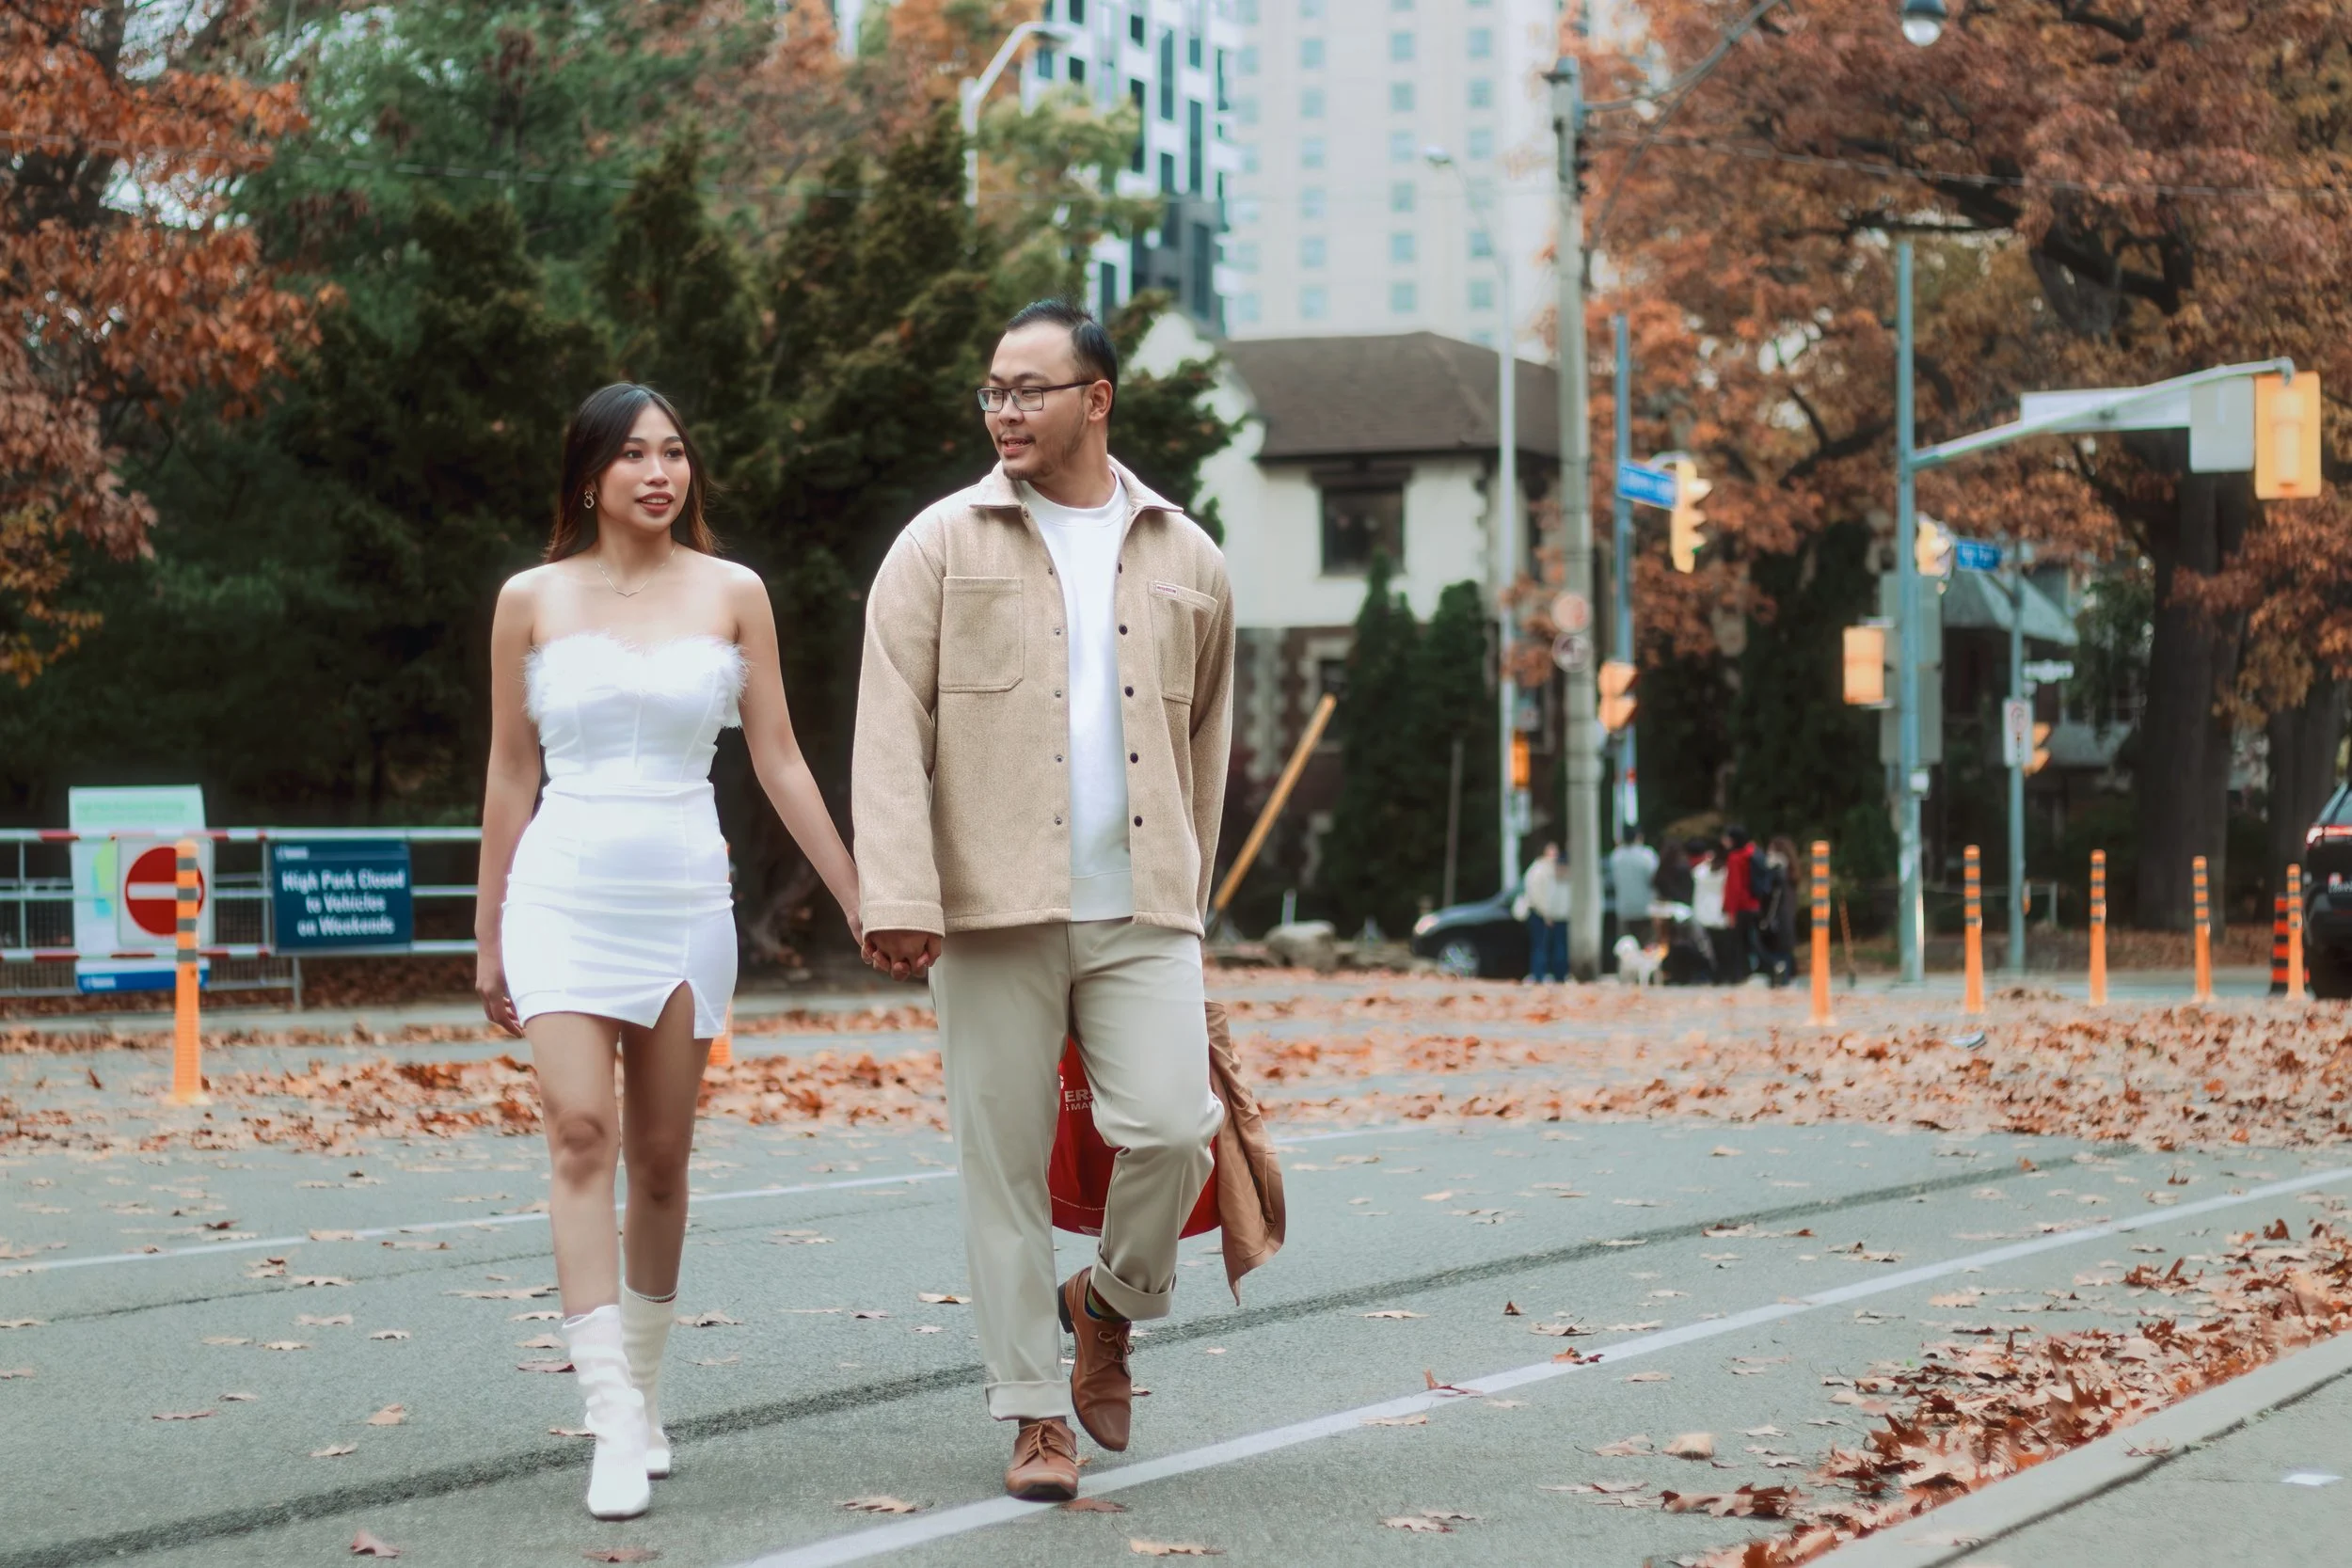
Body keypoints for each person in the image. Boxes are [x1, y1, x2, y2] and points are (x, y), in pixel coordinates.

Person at [853, 300, 1235, 1503]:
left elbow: (1208, 739)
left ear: (1097, 399)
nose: (1005, 409)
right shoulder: (937, 544)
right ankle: (1032, 1414)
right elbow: (886, 729)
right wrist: (899, 892)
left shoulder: (1189, 556)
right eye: (992, 391)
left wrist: (1186, 888)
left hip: (1141, 906)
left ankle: (1108, 1303)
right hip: (989, 906)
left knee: (1176, 1127)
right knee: (1002, 1168)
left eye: (1030, 388)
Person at [475, 385, 862, 1520]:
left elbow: (781, 759)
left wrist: (853, 891)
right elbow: (509, 769)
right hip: (561, 890)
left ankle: (644, 1390)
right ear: (587, 474)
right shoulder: (528, 598)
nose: (659, 471)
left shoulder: (734, 592)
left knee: (658, 1157)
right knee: (580, 1131)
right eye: (634, 454)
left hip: (687, 892)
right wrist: (486, 927)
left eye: (675, 451)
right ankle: (604, 1414)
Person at [1514, 842, 1570, 982]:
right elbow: (1538, 895)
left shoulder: (1544, 869)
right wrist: (1546, 913)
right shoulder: (1542, 871)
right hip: (1541, 914)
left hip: (1546, 913)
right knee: (1541, 947)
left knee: (1543, 947)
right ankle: (1540, 976)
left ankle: (1543, 975)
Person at [1692, 839, 1738, 984]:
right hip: (1722, 911)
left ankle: (1717, 975)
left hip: (1706, 912)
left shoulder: (1703, 870)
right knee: (1726, 947)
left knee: (1714, 948)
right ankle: (1728, 974)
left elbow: (1695, 874)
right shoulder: (1727, 870)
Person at [1758, 835, 1800, 985]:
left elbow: (1767, 892)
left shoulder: (1775, 868)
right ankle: (1786, 979)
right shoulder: (1791, 869)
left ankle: (1780, 980)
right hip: (1787, 914)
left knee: (1775, 950)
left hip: (1776, 915)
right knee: (1785, 951)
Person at [1722, 825, 1760, 982]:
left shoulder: (1735, 858)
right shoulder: (1751, 853)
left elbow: (1734, 888)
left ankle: (1741, 975)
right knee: (1752, 940)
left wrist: (1730, 912)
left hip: (1741, 907)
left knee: (1739, 944)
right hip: (1754, 904)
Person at [1608, 829, 1659, 946]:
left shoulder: (1616, 856)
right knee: (1647, 945)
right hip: (1646, 908)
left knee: (1627, 947)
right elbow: (1655, 879)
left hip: (1624, 909)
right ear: (1639, 837)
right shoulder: (1647, 855)